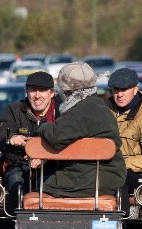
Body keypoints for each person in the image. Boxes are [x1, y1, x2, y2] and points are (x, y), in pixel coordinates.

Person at [20, 61, 126, 205]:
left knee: (40, 184)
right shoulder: (100, 105)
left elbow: (56, 136)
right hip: (110, 177)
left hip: (86, 180)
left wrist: (43, 127)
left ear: (66, 90)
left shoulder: (79, 110)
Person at [0, 71, 58, 209]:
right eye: (33, 90)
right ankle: (17, 222)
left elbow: (70, 141)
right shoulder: (13, 109)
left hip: (55, 167)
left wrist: (45, 156)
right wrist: (11, 138)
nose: (37, 96)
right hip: (20, 165)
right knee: (16, 182)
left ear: (52, 93)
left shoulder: (62, 111)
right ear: (26, 91)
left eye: (42, 91)